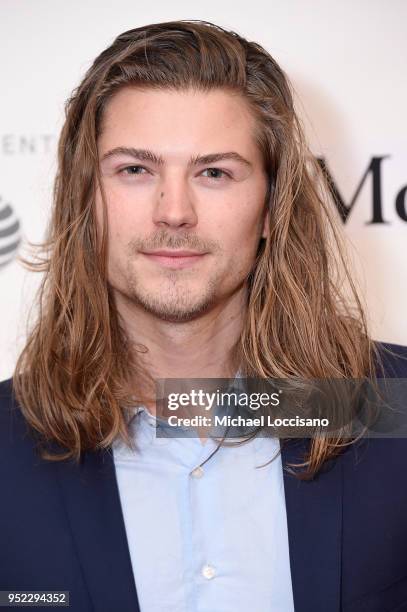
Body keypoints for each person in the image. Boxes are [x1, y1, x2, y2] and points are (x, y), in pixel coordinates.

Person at [1, 19, 407, 612]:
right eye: (135, 170)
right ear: (84, 199)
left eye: (214, 172)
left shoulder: (393, 408)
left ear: (271, 206)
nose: (174, 211)